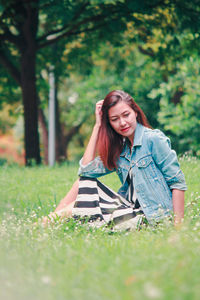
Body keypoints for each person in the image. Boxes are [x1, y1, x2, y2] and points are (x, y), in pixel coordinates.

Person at [43, 90, 187, 230]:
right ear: (109, 123)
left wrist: (177, 230)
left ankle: (43, 225)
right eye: (115, 119)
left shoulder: (153, 139)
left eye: (126, 115)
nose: (122, 123)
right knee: (82, 182)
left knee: (72, 208)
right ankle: (48, 223)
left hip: (151, 217)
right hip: (129, 209)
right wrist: (97, 125)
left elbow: (177, 183)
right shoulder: (120, 150)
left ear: (135, 112)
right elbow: (85, 171)